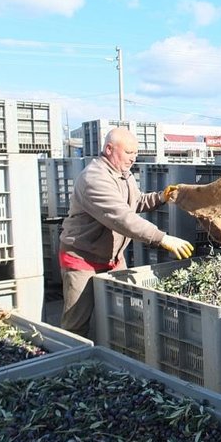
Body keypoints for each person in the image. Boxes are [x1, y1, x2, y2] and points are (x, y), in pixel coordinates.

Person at [59, 127, 194, 337]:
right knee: (76, 322)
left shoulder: (124, 174)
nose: (134, 158)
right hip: (83, 258)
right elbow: (122, 217)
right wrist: (162, 238)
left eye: (136, 153)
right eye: (129, 152)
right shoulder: (94, 179)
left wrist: (161, 197)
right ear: (109, 149)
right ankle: (71, 359)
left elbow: (135, 202)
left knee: (120, 316)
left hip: (112, 259)